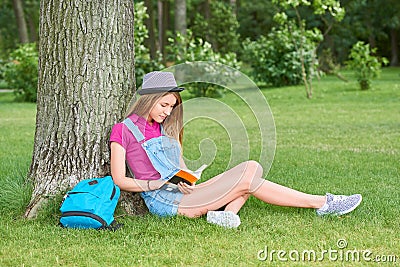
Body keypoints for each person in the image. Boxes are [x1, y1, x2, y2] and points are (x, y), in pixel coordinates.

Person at [110, 71, 362, 228]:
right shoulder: (123, 130)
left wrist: (187, 178)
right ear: (149, 99)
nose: (167, 112)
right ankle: (322, 203)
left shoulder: (164, 128)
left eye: (171, 107)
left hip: (183, 193)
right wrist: (156, 184)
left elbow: (180, 165)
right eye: (164, 105)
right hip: (164, 202)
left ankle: (226, 215)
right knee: (248, 180)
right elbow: (120, 180)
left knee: (252, 167)